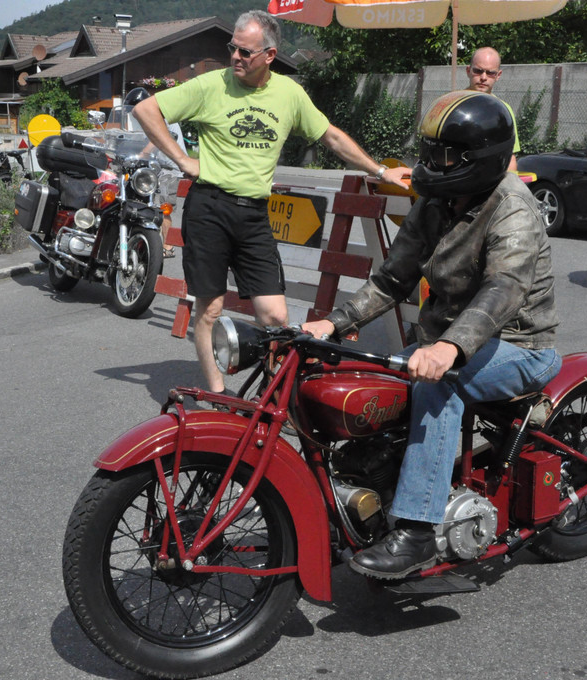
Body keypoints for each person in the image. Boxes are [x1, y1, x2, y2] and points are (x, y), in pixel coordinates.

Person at [302, 91, 561, 579]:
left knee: (437, 386)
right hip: (447, 341)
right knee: (362, 380)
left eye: (444, 155)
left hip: (520, 346)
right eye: (429, 152)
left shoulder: (513, 207)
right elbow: (392, 280)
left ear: (479, 158)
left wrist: (449, 347)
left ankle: (418, 531)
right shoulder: (436, 202)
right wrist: (334, 322)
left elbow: (504, 288)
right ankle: (369, 488)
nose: (431, 163)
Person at [132, 9, 408, 394]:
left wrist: (380, 171)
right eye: (233, 48)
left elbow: (330, 136)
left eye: (245, 52)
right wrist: (181, 159)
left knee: (275, 315)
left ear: (270, 55)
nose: (235, 57)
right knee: (210, 310)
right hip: (209, 208)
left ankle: (275, 395)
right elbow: (146, 110)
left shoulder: (288, 94)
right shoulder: (211, 85)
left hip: (253, 215)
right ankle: (218, 394)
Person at [123, 86, 185, 259]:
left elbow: (157, 138)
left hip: (171, 168)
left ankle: (167, 246)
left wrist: (142, 154)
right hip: (158, 167)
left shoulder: (159, 113)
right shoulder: (147, 117)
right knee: (144, 201)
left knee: (163, 208)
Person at [465, 47, 520, 171]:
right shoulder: (453, 104)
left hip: (493, 178)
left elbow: (510, 157)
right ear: (468, 71)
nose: (483, 77)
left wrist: (510, 181)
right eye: (478, 71)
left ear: (498, 75)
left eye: (490, 73)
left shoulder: (503, 110)